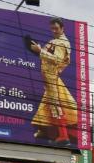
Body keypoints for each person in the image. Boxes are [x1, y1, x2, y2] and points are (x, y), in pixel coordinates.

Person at [30, 18, 78, 147]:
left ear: (62, 28)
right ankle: (45, 130)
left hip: (51, 76)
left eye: (56, 28)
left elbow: (57, 59)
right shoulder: (55, 41)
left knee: (54, 104)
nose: (54, 31)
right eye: (52, 28)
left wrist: (40, 51)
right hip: (49, 76)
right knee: (48, 103)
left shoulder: (61, 43)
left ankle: (63, 136)